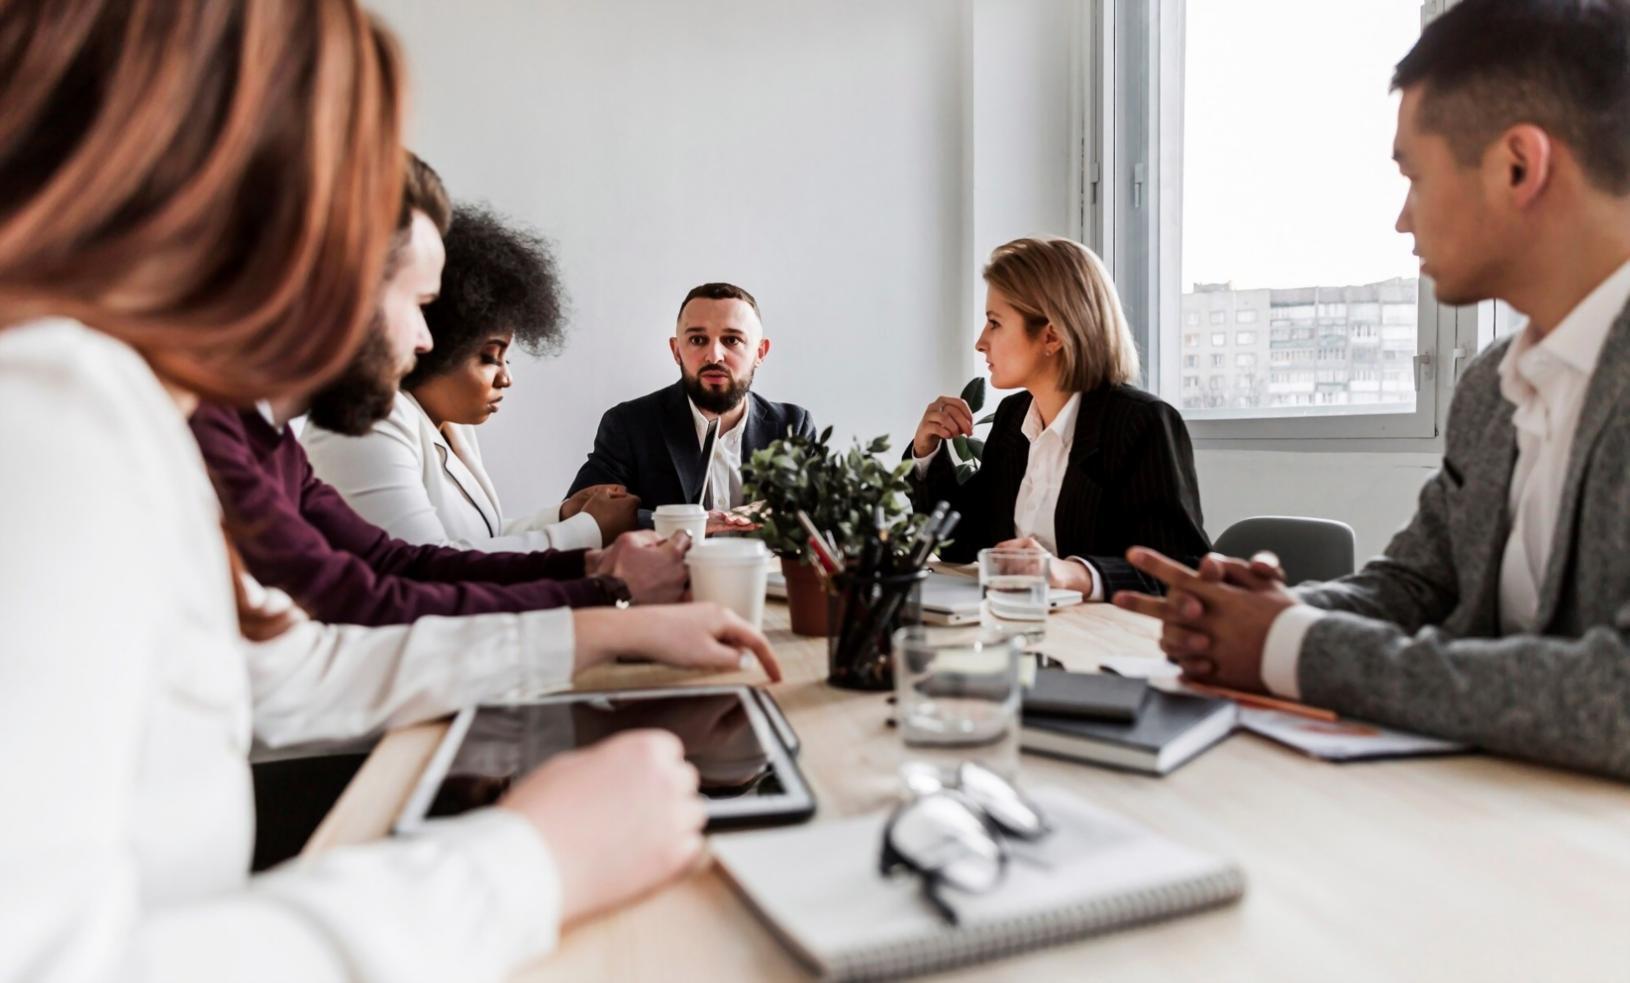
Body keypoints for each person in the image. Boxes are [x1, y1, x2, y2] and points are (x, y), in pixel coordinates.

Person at [0, 2, 776, 978]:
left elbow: (294, 667)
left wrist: (602, 624)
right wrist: (527, 861)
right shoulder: (54, 411)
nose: (423, 336)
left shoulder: (133, 409)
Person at [1115, 0, 1630, 782]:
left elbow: (1616, 693)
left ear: (1520, 166)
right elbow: (1415, 585)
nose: (1401, 218)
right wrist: (1272, 615)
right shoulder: (1492, 388)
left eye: (1414, 176)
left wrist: (1291, 647)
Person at [192, 156, 686, 627]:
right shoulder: (225, 435)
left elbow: (402, 565)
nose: (426, 338)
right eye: (418, 302)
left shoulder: (273, 445)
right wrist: (602, 586)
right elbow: (376, 598)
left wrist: (592, 568)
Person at [304, 202, 638, 552]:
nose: (506, 378)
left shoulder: (449, 425)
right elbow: (426, 564)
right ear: (441, 341)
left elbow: (480, 541)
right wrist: (587, 530)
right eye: (490, 357)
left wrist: (562, 516)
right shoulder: (368, 422)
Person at [909, 237, 1209, 598]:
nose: (980, 341)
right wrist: (927, 453)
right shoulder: (1012, 418)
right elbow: (961, 543)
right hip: (1018, 629)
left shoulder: (1140, 424)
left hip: (1100, 641)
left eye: (994, 323)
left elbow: (1181, 569)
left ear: (1051, 335)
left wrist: (1073, 573)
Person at [567, 281, 817, 530]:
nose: (714, 356)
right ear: (676, 351)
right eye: (698, 340)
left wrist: (777, 510)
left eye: (732, 340)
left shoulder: (793, 425)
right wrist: (691, 523)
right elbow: (581, 515)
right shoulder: (628, 424)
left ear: (760, 353)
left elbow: (822, 510)